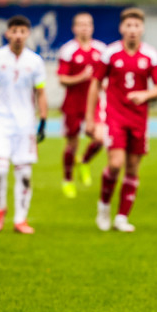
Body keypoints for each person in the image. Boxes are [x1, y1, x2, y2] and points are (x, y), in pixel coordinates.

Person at [87, 8, 157, 233]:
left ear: (142, 29)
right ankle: (103, 206)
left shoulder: (150, 54)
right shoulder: (110, 53)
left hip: (139, 120)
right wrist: (91, 118)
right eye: (128, 26)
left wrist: (145, 95)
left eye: (136, 26)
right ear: (121, 28)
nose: (132, 30)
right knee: (115, 164)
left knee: (132, 168)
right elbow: (95, 84)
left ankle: (121, 217)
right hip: (115, 117)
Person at [0, 15, 48, 234]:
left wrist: (43, 120)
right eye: (14, 31)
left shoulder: (35, 61)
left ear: (28, 34)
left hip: (25, 124)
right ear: (7, 33)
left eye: (22, 31)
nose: (18, 35)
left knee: (24, 174)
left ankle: (20, 219)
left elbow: (41, 92)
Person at [57, 12, 107, 198]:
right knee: (72, 144)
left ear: (92, 27)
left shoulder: (102, 49)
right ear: (74, 28)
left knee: (100, 139)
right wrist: (81, 77)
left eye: (88, 24)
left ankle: (84, 162)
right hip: (73, 104)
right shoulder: (68, 50)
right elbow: (62, 79)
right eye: (81, 24)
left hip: (95, 104)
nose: (85, 27)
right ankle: (68, 180)